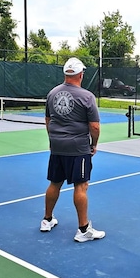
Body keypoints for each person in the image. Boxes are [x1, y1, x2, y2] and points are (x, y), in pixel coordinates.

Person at [40, 57, 105, 243]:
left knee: (55, 183)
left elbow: (48, 120)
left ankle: (47, 220)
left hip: (57, 146)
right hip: (78, 148)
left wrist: (53, 140)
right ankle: (84, 229)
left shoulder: (52, 93)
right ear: (81, 75)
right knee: (81, 185)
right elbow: (95, 126)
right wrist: (94, 144)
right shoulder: (87, 96)